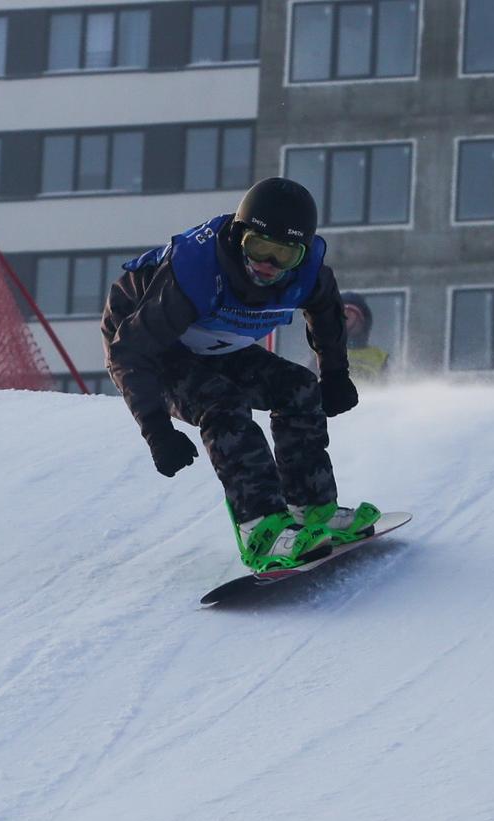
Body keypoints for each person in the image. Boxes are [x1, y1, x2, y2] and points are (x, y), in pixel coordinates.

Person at [101, 177, 382, 574]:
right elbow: (129, 351)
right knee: (223, 404)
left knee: (300, 389)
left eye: (283, 255)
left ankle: (311, 508)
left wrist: (334, 374)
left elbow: (326, 312)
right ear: (238, 237)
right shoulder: (197, 271)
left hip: (214, 338)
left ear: (301, 256)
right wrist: (157, 431)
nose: (267, 265)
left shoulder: (310, 273)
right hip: (151, 344)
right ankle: (261, 527)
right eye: (259, 247)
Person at [340, 291, 391, 382]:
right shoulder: (323, 354)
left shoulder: (380, 357)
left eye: (351, 315)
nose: (347, 322)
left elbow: (389, 388)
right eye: (342, 316)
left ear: (363, 321)